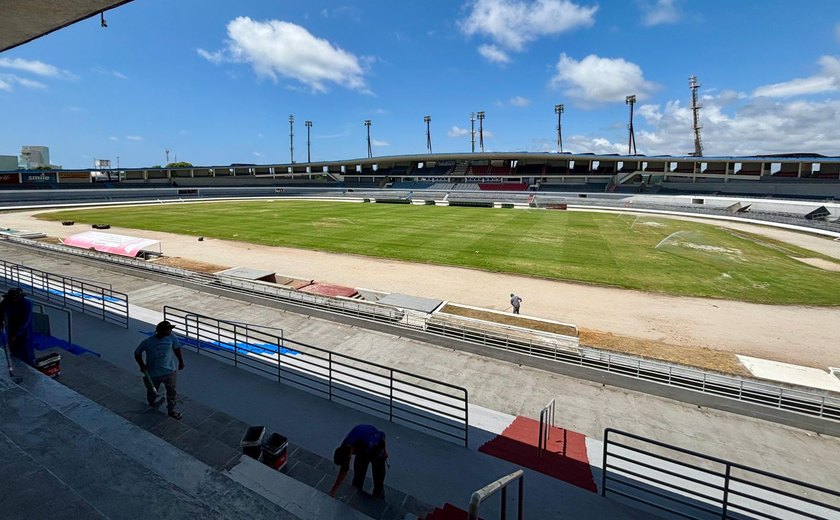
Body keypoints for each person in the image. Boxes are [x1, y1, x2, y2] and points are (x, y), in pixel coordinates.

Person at [134, 320, 185, 419]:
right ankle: (152, 403)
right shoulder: (148, 342)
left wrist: (181, 361)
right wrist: (142, 365)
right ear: (161, 331)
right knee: (152, 391)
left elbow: (177, 348)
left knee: (171, 392)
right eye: (168, 329)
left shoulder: (172, 338)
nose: (170, 331)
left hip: (170, 371)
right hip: (153, 373)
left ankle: (172, 410)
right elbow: (137, 353)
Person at [329, 424, 388, 498]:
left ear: (350, 455)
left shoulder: (369, 441)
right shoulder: (344, 447)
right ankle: (356, 493)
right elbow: (344, 470)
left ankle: (378, 494)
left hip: (375, 449)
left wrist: (385, 451)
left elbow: (382, 435)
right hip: (361, 450)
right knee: (358, 476)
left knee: (378, 479)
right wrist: (333, 491)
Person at [1, 288, 35, 366]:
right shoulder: (6, 302)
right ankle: (15, 364)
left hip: (25, 329)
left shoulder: (26, 304)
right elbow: (1, 312)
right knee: (13, 347)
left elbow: (26, 321)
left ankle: (29, 365)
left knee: (26, 348)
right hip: (12, 325)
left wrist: (17, 334)